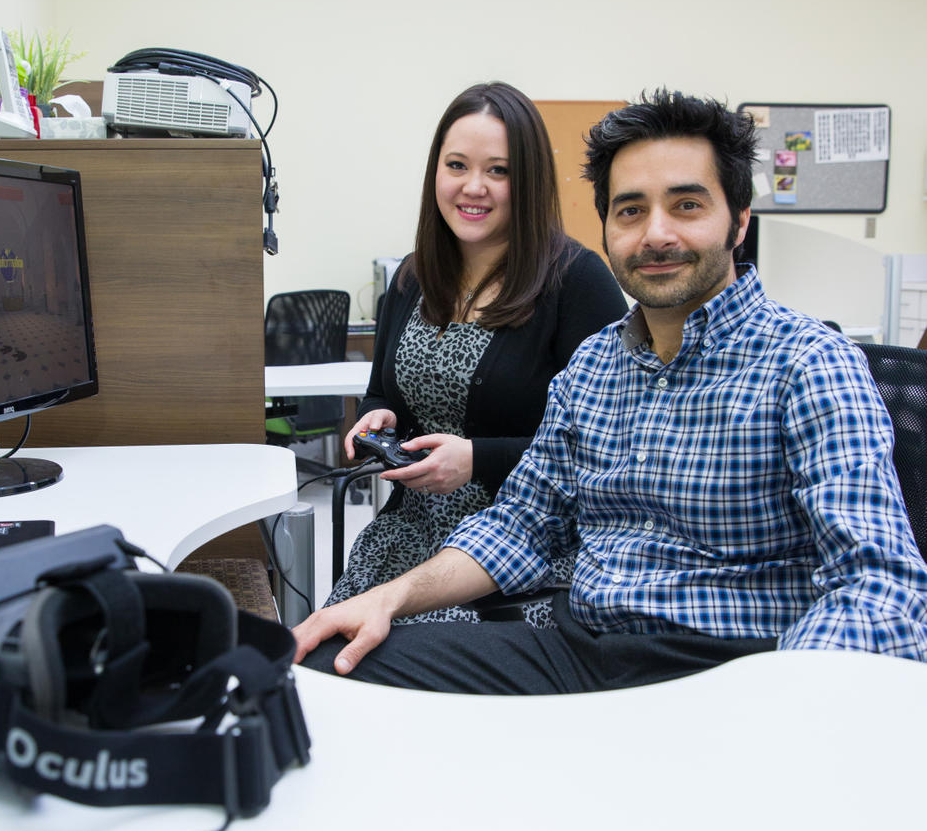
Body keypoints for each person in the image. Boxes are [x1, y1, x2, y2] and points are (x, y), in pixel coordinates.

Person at [295, 89, 927, 690]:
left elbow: (878, 586)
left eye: (687, 205)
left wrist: (776, 712)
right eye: (630, 210)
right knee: (334, 666)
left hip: (731, 669)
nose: (655, 234)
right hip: (577, 652)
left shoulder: (810, 364)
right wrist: (388, 597)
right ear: (606, 228)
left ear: (739, 223)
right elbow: (521, 525)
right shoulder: (595, 366)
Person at [327, 81, 625, 625]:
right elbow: (380, 388)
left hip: (523, 553)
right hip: (407, 536)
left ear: (529, 180)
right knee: (333, 660)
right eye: (457, 165)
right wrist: (378, 414)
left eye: (499, 171)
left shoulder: (576, 281)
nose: (473, 187)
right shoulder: (415, 275)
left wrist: (478, 459)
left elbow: (608, 445)